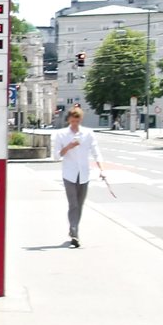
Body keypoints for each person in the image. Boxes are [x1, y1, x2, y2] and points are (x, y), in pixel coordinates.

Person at [52, 104, 102, 248]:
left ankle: (73, 228)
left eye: (77, 121)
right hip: (69, 174)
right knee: (73, 204)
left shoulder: (88, 133)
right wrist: (69, 146)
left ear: (81, 120)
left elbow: (96, 151)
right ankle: (74, 232)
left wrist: (101, 169)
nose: (75, 124)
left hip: (84, 174)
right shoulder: (61, 134)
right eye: (73, 121)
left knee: (80, 204)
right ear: (69, 120)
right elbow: (56, 156)